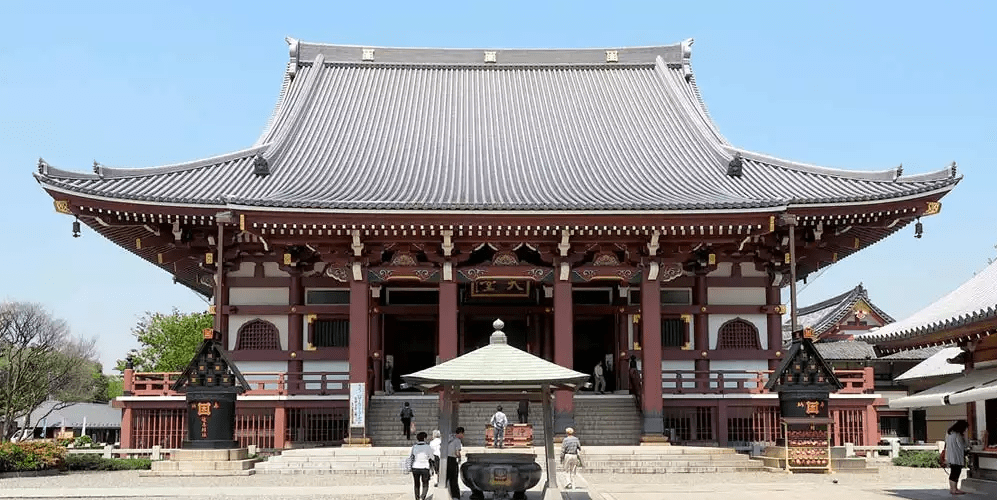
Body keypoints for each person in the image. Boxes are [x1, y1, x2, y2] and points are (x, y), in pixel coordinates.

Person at [944, 419, 970, 495]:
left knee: (953, 472)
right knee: (956, 473)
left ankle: (952, 489)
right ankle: (955, 489)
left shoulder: (949, 434)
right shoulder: (958, 435)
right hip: (957, 456)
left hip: (951, 456)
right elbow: (962, 446)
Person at [408, 431, 433, 500]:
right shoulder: (428, 447)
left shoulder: (414, 447)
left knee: (416, 483)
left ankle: (417, 497)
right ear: (425, 438)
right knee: (425, 483)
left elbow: (411, 456)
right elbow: (432, 457)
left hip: (415, 466)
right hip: (425, 467)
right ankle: (423, 496)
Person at [446, 426, 465, 500]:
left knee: (446, 478)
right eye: (463, 434)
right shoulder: (457, 441)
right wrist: (460, 457)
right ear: (460, 433)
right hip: (452, 460)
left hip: (445, 460)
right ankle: (455, 496)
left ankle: (447, 493)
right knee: (453, 479)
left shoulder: (449, 438)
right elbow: (457, 452)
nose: (463, 436)